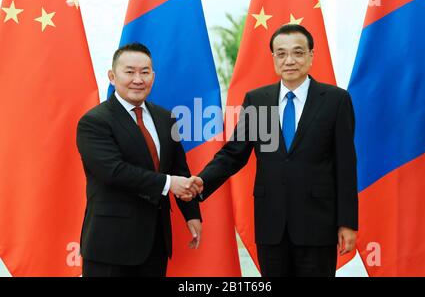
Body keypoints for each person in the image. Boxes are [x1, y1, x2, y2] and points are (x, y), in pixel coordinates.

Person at [191, 24, 358, 276]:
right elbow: (234, 153)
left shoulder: (336, 100)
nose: (289, 60)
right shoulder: (258, 100)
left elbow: (346, 166)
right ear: (273, 59)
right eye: (281, 53)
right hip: (271, 225)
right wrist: (201, 181)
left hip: (317, 225)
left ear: (311, 56)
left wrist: (347, 222)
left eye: (298, 52)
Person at [76, 43, 202, 277]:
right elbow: (113, 171)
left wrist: (191, 213)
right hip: (110, 245)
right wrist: (168, 183)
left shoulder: (166, 118)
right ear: (112, 76)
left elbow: (179, 170)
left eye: (144, 72)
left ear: (153, 76)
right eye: (129, 71)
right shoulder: (94, 122)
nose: (138, 79)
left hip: (155, 242)